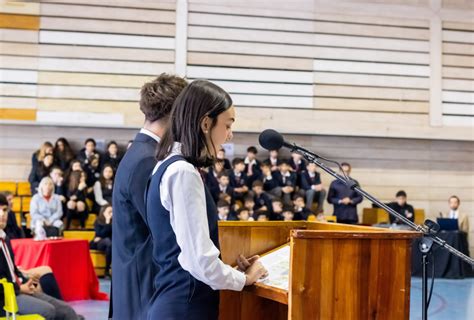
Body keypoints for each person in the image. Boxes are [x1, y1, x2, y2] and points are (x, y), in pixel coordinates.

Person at [147, 80, 267, 319]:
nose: (230, 135)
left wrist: (228, 269)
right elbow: (198, 261)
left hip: (174, 300)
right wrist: (244, 279)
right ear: (205, 123)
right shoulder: (183, 172)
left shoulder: (166, 164)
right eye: (228, 125)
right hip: (185, 306)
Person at [112, 74, 188, 320]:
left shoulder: (141, 150)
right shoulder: (147, 158)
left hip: (137, 277)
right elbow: (163, 230)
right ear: (177, 113)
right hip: (144, 283)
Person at [0, 194, 83, 320]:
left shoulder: (4, 238)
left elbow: (12, 271)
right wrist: (19, 287)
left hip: (17, 290)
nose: (2, 214)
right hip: (5, 298)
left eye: (5, 210)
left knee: (67, 311)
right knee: (48, 311)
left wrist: (25, 280)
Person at [90, 205, 112, 279]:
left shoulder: (115, 221)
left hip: (109, 243)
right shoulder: (98, 221)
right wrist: (107, 221)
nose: (111, 213)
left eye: (112, 212)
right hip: (99, 243)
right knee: (108, 242)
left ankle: (107, 271)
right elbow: (100, 234)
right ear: (103, 212)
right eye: (109, 211)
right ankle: (106, 271)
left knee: (109, 244)